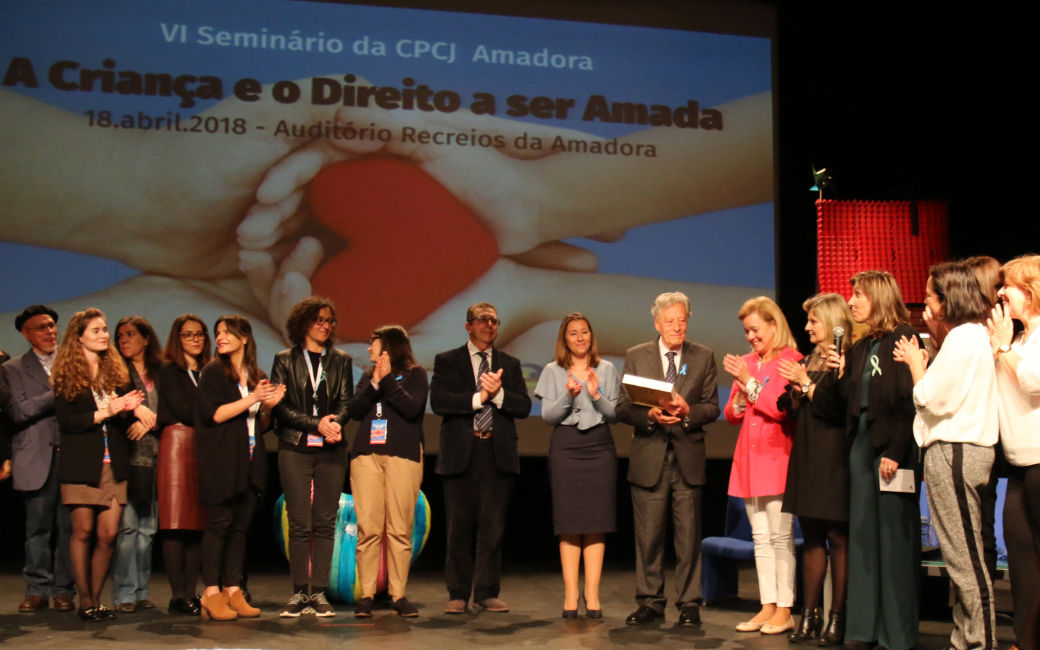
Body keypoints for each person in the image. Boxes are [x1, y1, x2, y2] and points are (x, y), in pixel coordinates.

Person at [894, 261, 998, 650]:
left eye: (930, 298)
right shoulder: (965, 338)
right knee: (959, 554)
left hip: (957, 450)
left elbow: (929, 398)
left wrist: (918, 367)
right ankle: (965, 637)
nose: (927, 306)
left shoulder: (964, 338)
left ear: (948, 298)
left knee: (964, 557)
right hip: (953, 450)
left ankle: (980, 640)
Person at [820, 270, 921, 650]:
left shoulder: (904, 338)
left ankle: (896, 633)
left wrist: (896, 451)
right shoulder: (859, 348)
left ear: (878, 297)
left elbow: (907, 399)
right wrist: (838, 374)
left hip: (891, 447)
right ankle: (863, 628)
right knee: (862, 538)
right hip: (860, 447)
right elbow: (841, 403)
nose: (852, 302)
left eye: (859, 295)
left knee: (893, 541)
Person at [616, 291, 720, 627]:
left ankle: (689, 603)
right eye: (670, 321)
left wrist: (688, 413)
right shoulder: (636, 355)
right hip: (649, 455)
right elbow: (622, 408)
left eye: (682, 320)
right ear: (657, 323)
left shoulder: (702, 356)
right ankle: (650, 602)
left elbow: (712, 406)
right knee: (648, 536)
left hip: (687, 456)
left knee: (689, 537)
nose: (677, 327)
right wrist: (651, 417)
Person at [431, 302, 532, 614]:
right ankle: (458, 592)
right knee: (459, 526)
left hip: (495, 451)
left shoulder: (509, 364)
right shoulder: (447, 360)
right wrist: (480, 398)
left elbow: (524, 406)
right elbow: (439, 402)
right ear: (468, 326)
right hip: (462, 451)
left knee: (492, 528)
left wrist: (498, 395)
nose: (489, 325)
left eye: (494, 320)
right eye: (482, 320)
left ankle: (486, 592)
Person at [51, 308, 145, 621]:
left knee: (107, 535)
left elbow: (123, 413)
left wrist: (129, 409)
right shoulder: (67, 375)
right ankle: (86, 600)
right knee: (83, 530)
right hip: (81, 464)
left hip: (113, 464)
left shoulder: (116, 373)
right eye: (96, 330)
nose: (104, 335)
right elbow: (68, 421)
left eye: (105, 329)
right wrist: (108, 411)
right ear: (79, 337)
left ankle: (97, 597)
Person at [195, 315, 285, 621]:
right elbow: (216, 415)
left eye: (227, 332)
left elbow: (259, 424)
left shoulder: (254, 374)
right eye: (217, 332)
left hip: (249, 460)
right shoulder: (213, 372)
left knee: (240, 528)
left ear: (244, 337)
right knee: (218, 524)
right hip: (222, 460)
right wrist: (253, 398)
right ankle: (211, 592)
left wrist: (269, 406)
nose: (220, 337)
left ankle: (233, 589)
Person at [721, 296, 801, 635]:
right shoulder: (746, 362)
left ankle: (786, 608)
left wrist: (749, 383)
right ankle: (767, 605)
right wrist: (739, 397)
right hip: (749, 462)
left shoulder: (790, 361)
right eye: (746, 332)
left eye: (756, 330)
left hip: (777, 457)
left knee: (781, 537)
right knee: (760, 538)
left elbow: (779, 408)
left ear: (774, 325)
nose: (751, 337)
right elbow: (730, 415)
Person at [776, 293, 852, 646]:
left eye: (814, 321)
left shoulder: (843, 360)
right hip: (806, 454)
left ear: (833, 323)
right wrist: (795, 388)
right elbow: (788, 405)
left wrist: (805, 384)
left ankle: (838, 618)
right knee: (810, 540)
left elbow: (835, 407)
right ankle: (809, 616)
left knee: (837, 538)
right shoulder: (809, 359)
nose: (807, 327)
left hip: (833, 456)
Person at [271, 297, 353, 618]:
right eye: (318, 319)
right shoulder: (285, 359)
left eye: (329, 320)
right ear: (303, 323)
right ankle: (298, 593)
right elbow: (281, 406)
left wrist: (335, 423)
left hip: (331, 449)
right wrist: (315, 424)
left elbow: (347, 400)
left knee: (324, 522)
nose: (325, 325)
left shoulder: (341, 360)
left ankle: (318, 592)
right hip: (295, 447)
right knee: (300, 522)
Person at [535, 313, 620, 619]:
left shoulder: (607, 369)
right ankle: (571, 594)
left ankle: (592, 593)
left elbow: (613, 415)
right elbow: (548, 416)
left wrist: (596, 396)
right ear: (565, 339)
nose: (580, 337)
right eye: (574, 333)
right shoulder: (552, 370)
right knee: (570, 523)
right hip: (566, 447)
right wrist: (568, 397)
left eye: (585, 332)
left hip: (599, 446)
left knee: (596, 522)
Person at [0, 305, 76, 613]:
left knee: (70, 527)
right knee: (37, 528)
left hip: (73, 453)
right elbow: (17, 412)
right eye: (41, 327)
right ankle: (36, 589)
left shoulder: (74, 362)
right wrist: (56, 392)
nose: (49, 331)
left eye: (51, 325)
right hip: (35, 454)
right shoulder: (12, 368)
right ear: (26, 333)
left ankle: (64, 590)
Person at [349, 325, 428, 618]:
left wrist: (388, 383)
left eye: (373, 344)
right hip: (366, 457)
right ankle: (367, 595)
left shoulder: (416, 375)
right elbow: (355, 411)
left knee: (399, 529)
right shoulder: (368, 377)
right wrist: (374, 384)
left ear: (388, 348)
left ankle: (398, 594)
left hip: (403, 457)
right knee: (368, 528)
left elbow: (411, 408)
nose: (368, 349)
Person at [987, 254, 1040, 650]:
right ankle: (1025, 639)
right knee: (1022, 561)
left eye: (1010, 286)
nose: (1001, 292)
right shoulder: (1018, 339)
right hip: (1019, 466)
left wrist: (1002, 348)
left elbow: (1032, 380)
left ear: (1032, 291)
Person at [156, 314, 211, 615]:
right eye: (189, 335)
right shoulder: (170, 371)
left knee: (198, 525)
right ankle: (178, 594)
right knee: (176, 524)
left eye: (200, 334)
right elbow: (185, 410)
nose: (196, 339)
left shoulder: (211, 371)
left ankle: (192, 593)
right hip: (178, 445)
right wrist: (214, 409)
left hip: (206, 446)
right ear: (177, 339)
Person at [112, 316, 162, 613]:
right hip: (129, 459)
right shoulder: (116, 373)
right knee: (128, 530)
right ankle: (124, 594)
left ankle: (143, 590)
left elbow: (172, 408)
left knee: (149, 530)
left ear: (146, 338)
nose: (123, 340)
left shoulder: (162, 371)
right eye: (119, 336)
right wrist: (136, 413)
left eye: (130, 334)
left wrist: (149, 423)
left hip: (158, 457)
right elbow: (116, 411)